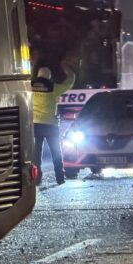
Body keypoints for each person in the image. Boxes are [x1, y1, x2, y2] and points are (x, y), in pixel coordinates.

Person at [31, 51, 77, 185]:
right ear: (49, 76)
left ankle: (37, 179)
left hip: (35, 125)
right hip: (50, 126)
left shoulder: (29, 87)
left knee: (36, 155)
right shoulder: (53, 88)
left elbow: (23, 79)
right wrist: (69, 71)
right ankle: (60, 178)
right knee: (56, 154)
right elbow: (69, 83)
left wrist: (32, 64)